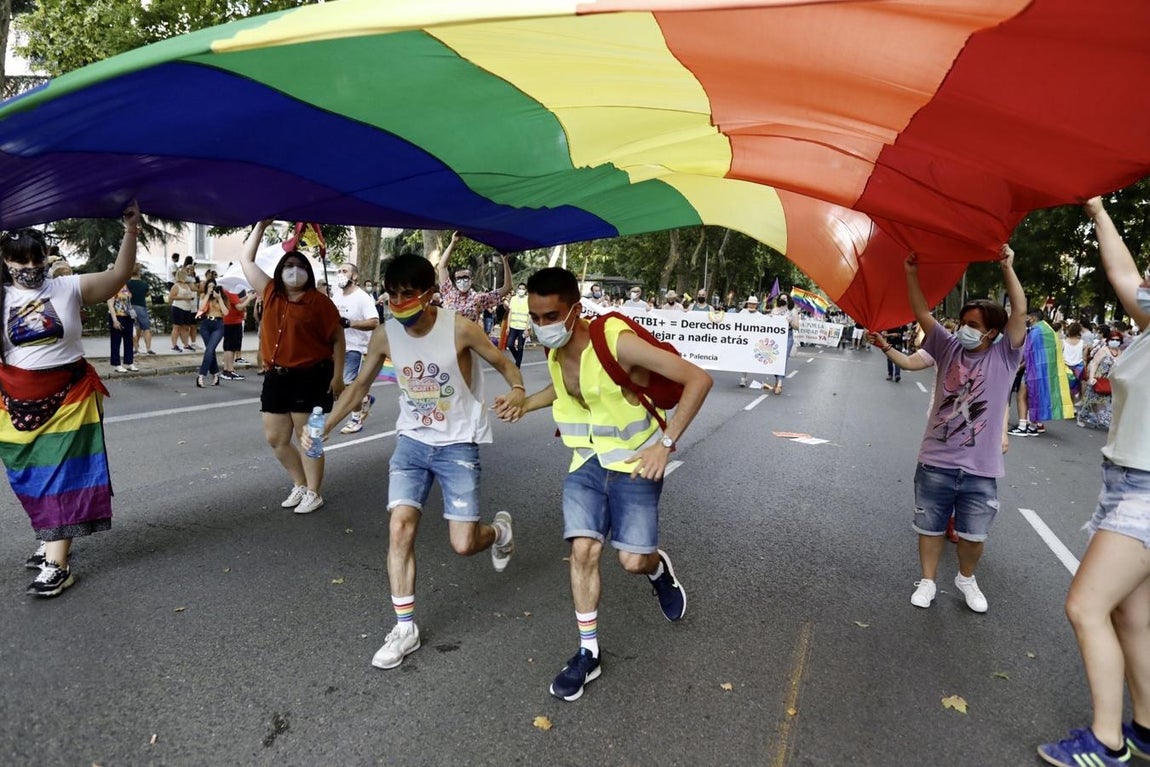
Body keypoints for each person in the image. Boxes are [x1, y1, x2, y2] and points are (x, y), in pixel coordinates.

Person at [504, 267, 712, 701]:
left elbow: (698, 379)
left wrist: (666, 444)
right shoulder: (555, 351)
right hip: (585, 462)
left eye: (550, 316)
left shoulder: (616, 341)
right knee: (583, 549)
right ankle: (588, 652)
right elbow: (566, 392)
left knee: (632, 562)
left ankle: (657, 570)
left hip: (635, 463)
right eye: (535, 317)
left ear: (575, 310)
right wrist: (524, 403)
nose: (542, 326)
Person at [315, 253, 524, 671]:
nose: (398, 301)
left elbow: (502, 361)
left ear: (430, 294)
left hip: (458, 443)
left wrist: (517, 388)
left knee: (463, 544)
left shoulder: (459, 328)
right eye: (392, 294)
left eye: (408, 294)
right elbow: (358, 388)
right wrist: (325, 427)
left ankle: (499, 531)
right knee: (400, 527)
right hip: (412, 441)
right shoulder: (386, 335)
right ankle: (404, 627)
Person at [1036, 197, 1150, 767]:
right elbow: (1122, 273)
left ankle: (1107, 742)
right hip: (1126, 483)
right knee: (1132, 614)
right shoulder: (1149, 328)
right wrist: (1099, 209)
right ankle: (1148, 730)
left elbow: (1127, 277)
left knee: (1086, 606)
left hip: (1147, 493)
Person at [0, 202, 141, 597]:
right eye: (19, 259)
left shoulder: (68, 287)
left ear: (47, 257)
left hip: (70, 397)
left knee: (63, 475)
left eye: (36, 257)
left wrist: (130, 231)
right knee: (30, 476)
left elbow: (118, 275)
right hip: (14, 402)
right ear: (6, 261)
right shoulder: (1, 297)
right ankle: (50, 537)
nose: (29, 266)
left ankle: (57, 564)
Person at [903, 245, 1026, 614]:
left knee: (973, 536)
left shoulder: (1006, 355)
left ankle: (965, 578)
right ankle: (927, 581)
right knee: (930, 527)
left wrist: (1008, 268)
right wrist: (911, 273)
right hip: (936, 461)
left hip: (980, 468)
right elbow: (922, 312)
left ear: (992, 332)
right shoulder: (947, 346)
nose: (964, 330)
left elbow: (1019, 310)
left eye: (973, 325)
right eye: (962, 322)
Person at [240, 220, 345, 516]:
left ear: (308, 272)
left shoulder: (319, 302)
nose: (294, 270)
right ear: (280, 270)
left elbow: (338, 338)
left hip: (311, 377)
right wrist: (261, 225)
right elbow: (246, 259)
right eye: (289, 265)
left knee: (307, 438)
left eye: (300, 265)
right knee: (275, 438)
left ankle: (314, 491)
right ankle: (299, 483)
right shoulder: (271, 292)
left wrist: (338, 376)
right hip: (277, 376)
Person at [331, 263, 381, 434]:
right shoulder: (336, 295)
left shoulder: (362, 298)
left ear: (354, 276)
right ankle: (364, 398)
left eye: (344, 271)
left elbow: (375, 322)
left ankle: (356, 419)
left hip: (356, 348)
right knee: (340, 386)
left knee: (349, 385)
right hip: (337, 348)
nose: (340, 274)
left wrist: (350, 323)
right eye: (338, 271)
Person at [435, 231, 512, 323]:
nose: (462, 280)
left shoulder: (479, 299)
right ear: (455, 281)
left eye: (465, 277)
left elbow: (507, 287)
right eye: (459, 278)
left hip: (467, 336)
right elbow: (442, 266)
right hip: (447, 335)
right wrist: (453, 243)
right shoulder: (448, 293)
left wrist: (505, 262)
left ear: (471, 280)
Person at [1077, 330, 1123, 431]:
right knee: (1090, 400)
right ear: (1109, 340)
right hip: (1098, 379)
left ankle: (1103, 420)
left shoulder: (1120, 352)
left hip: (1110, 381)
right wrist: (1091, 378)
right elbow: (1094, 364)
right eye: (1113, 339)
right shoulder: (1103, 350)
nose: (1115, 341)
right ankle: (1081, 417)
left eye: (1117, 340)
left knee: (1106, 402)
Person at [193, 277, 230, 388]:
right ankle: (215, 375)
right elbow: (201, 308)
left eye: (213, 286)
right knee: (211, 350)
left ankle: (201, 375)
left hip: (218, 325)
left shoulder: (223, 297)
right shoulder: (205, 296)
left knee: (209, 349)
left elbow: (226, 312)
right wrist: (208, 295)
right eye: (209, 286)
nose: (211, 288)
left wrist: (219, 298)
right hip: (206, 324)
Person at [219, 287, 254, 380]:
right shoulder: (231, 292)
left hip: (229, 321)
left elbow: (237, 302)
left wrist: (247, 296)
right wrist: (249, 299)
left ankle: (226, 369)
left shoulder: (226, 291)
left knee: (228, 347)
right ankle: (230, 370)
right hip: (234, 321)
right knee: (231, 347)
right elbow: (239, 307)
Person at [769, 294, 799, 394]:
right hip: (775, 337)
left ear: (789, 300)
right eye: (781, 298)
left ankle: (779, 384)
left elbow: (796, 326)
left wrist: (790, 322)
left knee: (783, 359)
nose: (783, 300)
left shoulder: (793, 311)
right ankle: (777, 380)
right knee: (774, 359)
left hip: (787, 336)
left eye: (785, 298)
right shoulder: (775, 310)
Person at [106, 282, 137, 374]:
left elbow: (128, 300)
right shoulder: (113, 286)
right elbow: (110, 304)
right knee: (116, 340)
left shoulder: (125, 286)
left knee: (129, 340)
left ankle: (129, 362)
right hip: (117, 316)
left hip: (128, 316)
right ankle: (116, 364)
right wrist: (114, 320)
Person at [125, 265, 155, 356]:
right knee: (146, 328)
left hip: (129, 307)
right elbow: (147, 294)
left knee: (134, 328)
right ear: (139, 272)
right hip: (141, 306)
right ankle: (148, 349)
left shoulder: (127, 283)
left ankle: (136, 349)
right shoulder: (144, 283)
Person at [167, 268, 198, 352]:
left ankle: (186, 345)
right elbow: (171, 297)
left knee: (186, 327)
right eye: (185, 274)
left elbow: (195, 290)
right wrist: (185, 297)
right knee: (176, 327)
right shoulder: (176, 286)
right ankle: (174, 345)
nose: (187, 276)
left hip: (187, 308)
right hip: (178, 307)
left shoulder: (187, 285)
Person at [737, 296, 761, 388]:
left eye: (753, 304)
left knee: (748, 358)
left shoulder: (759, 315)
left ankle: (744, 377)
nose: (751, 305)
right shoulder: (742, 312)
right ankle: (743, 376)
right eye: (750, 303)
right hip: (743, 339)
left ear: (756, 305)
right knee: (743, 357)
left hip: (754, 340)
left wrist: (771, 318)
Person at [505, 282, 530, 368]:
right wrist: (508, 326)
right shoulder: (513, 299)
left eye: (523, 289)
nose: (521, 290)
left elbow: (529, 315)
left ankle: (517, 365)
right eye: (520, 288)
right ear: (517, 289)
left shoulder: (528, 300)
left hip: (523, 327)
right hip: (513, 326)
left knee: (520, 347)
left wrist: (527, 328)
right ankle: (518, 358)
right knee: (510, 344)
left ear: (526, 290)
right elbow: (510, 313)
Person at [1062, 321, 1086, 403]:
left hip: (1066, 366)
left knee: (1068, 386)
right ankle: (1080, 400)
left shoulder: (1063, 342)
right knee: (1080, 384)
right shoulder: (1083, 343)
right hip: (1079, 367)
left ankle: (1070, 403)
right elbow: (1084, 357)